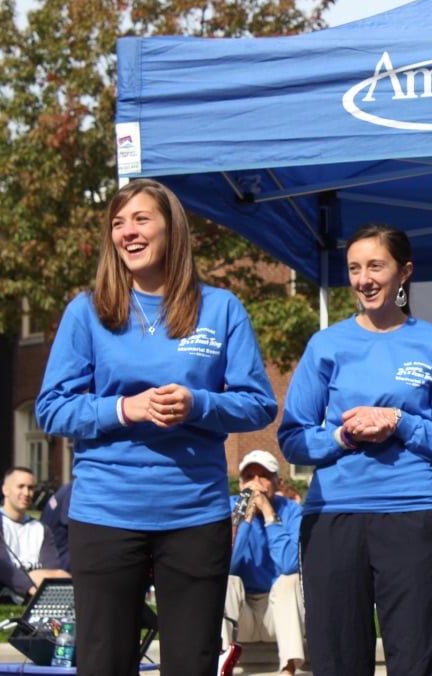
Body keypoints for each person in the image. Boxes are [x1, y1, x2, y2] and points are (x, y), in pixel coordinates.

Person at [35, 178, 278, 676]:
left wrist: (198, 404)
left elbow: (258, 405)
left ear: (172, 230)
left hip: (194, 513)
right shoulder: (88, 312)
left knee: (191, 661)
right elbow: (52, 409)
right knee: (103, 662)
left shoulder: (221, 308)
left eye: (141, 219)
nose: (128, 232)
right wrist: (124, 409)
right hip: (106, 512)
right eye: (118, 223)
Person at [278, 222, 432, 676]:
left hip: (413, 517)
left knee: (414, 663)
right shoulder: (326, 344)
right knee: (337, 662)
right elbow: (292, 438)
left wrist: (399, 422)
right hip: (332, 519)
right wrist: (344, 437)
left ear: (404, 273)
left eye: (375, 266)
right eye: (354, 268)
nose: (363, 279)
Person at [222, 450, 304, 676]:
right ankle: (222, 665)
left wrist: (269, 514)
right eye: (249, 477)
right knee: (225, 580)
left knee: (291, 580)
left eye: (264, 476)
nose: (255, 484)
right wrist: (245, 518)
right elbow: (226, 564)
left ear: (277, 482)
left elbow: (290, 564)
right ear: (240, 483)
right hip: (242, 614)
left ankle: (288, 670)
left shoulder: (292, 511)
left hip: (277, 614)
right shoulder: (229, 507)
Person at [0, 467, 70, 604]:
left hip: (38, 584)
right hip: (4, 587)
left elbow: (53, 569)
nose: (26, 493)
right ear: (6, 490)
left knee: (62, 575)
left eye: (30, 488)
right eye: (21, 487)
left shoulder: (41, 528)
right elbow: (3, 569)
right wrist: (32, 588)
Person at [39, 480, 73, 573]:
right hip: (60, 561)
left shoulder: (69, 488)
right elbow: (79, 528)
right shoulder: (75, 491)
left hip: (54, 556)